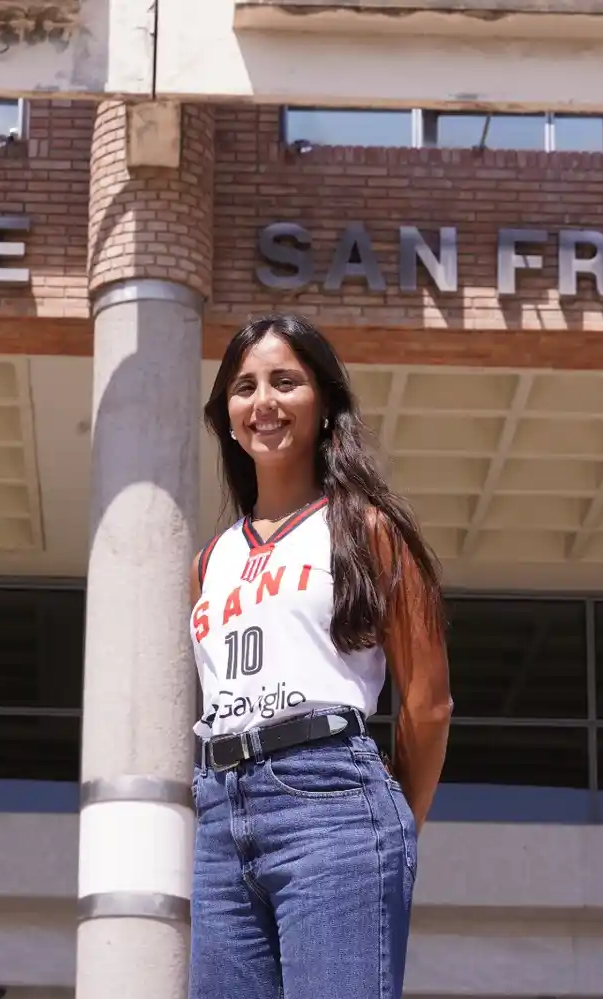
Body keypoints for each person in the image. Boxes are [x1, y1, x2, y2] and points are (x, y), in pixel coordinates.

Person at [187, 313, 453, 999]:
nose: (263, 402)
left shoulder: (367, 529)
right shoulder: (211, 562)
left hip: (333, 802)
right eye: (244, 387)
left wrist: (391, 822)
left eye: (285, 382)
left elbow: (427, 704)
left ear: (324, 401)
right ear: (227, 417)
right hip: (220, 811)